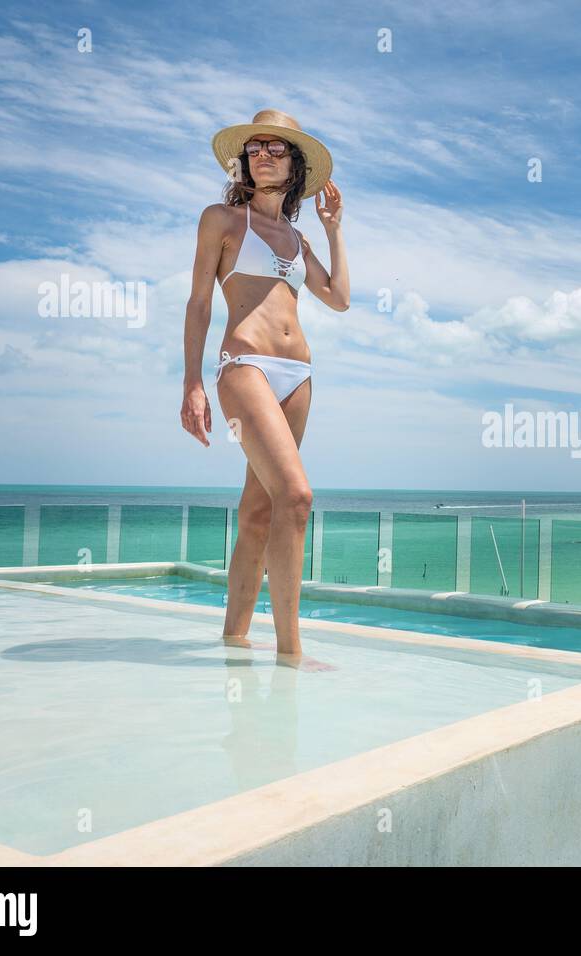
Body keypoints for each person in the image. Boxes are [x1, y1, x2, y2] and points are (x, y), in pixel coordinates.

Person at [181, 109, 349, 670]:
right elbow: (200, 301)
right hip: (244, 367)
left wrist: (333, 229)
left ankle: (235, 639)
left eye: (277, 148)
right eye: (255, 147)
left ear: (295, 166)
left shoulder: (299, 240)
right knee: (296, 497)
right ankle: (292, 652)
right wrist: (193, 383)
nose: (264, 154)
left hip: (298, 377)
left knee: (258, 511)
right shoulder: (223, 220)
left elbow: (340, 298)